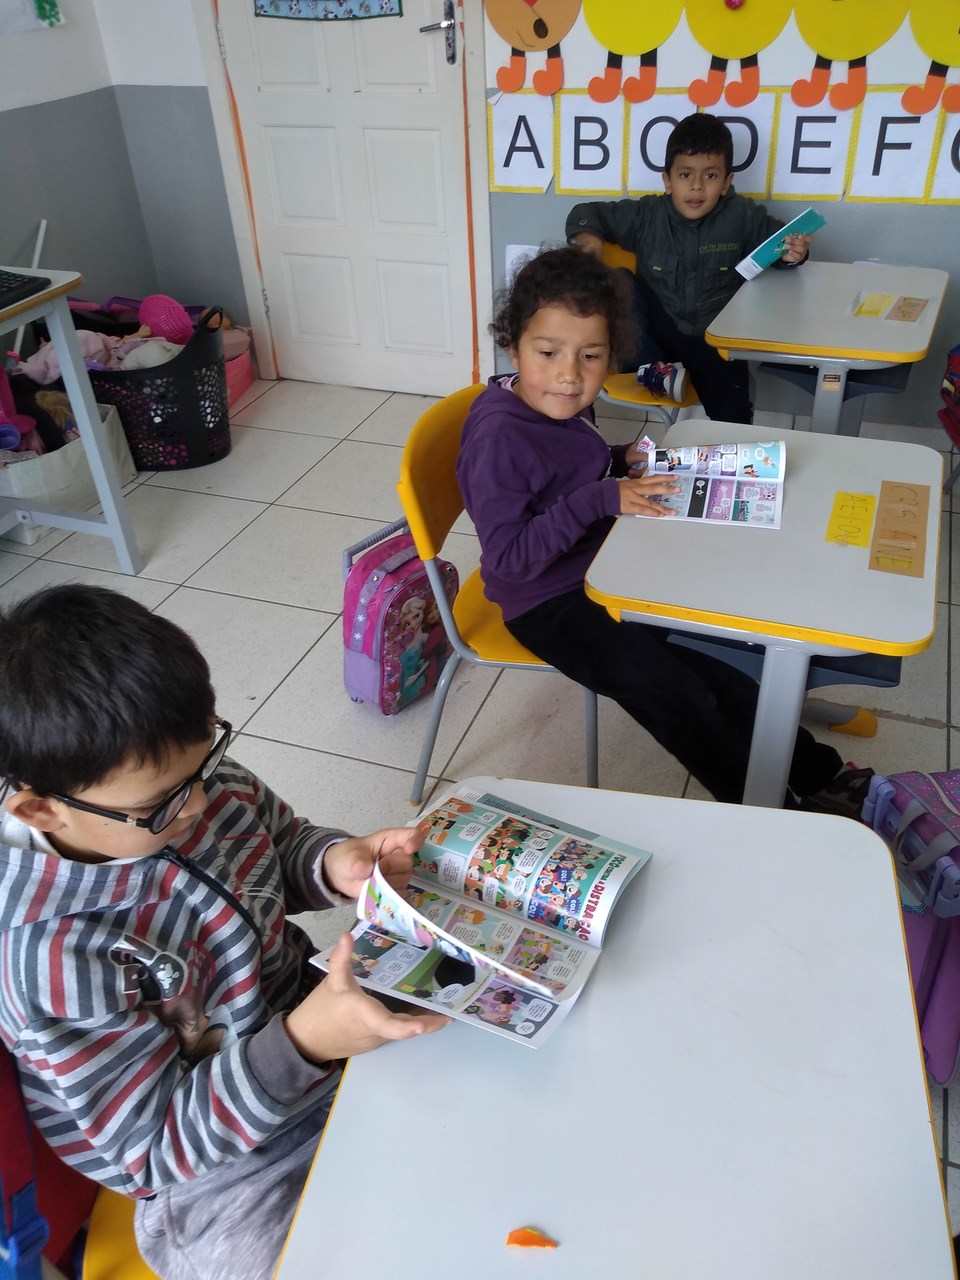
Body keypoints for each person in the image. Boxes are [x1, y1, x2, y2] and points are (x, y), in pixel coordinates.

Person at [0, 585, 448, 1280]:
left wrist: (335, 862)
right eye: (163, 804)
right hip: (218, 1169)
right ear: (40, 811)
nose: (202, 804)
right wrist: (303, 1043)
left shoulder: (182, 777)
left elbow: (282, 844)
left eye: (207, 763)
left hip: (319, 1029)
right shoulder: (49, 956)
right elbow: (154, 1148)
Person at [456, 246, 871, 812]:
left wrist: (617, 458)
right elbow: (508, 559)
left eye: (591, 356)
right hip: (547, 603)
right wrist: (600, 496)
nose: (569, 375)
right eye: (548, 352)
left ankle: (820, 773)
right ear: (513, 346)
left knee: (727, 667)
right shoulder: (498, 440)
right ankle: (772, 815)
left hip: (604, 563)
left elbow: (560, 469)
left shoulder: (556, 402)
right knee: (676, 694)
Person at [565, 112, 813, 424]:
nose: (696, 187)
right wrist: (588, 242)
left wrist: (794, 254)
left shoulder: (742, 216)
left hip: (714, 337)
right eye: (685, 175)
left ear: (726, 182)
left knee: (733, 417)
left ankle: (705, 404)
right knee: (620, 281)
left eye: (710, 176)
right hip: (656, 338)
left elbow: (780, 243)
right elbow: (586, 213)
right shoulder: (647, 215)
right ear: (668, 181)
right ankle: (655, 372)